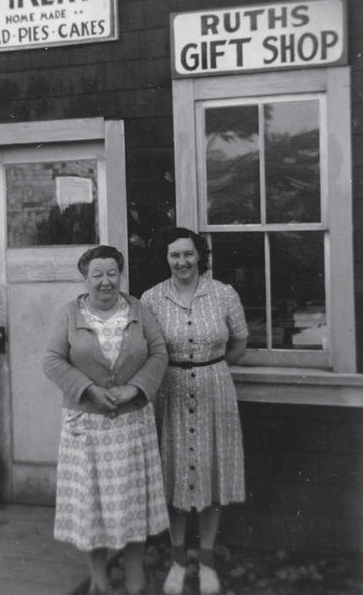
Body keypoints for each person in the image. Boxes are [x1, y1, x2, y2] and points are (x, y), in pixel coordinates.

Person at [43, 245, 169, 595]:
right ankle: (99, 580)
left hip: (132, 426)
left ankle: (135, 579)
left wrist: (135, 388)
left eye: (112, 273)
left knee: (133, 505)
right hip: (88, 426)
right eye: (97, 274)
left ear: (120, 275)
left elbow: (158, 353)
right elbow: (53, 361)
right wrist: (88, 390)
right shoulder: (70, 314)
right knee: (91, 506)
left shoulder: (139, 311)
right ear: (85, 278)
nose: (105, 282)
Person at [141, 227, 248, 595]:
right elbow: (147, 350)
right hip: (169, 392)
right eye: (175, 255)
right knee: (174, 475)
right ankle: (176, 561)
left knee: (210, 474)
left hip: (214, 390)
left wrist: (212, 368)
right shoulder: (152, 299)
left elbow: (240, 341)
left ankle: (205, 563)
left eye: (188, 254)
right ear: (166, 259)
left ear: (200, 255)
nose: (182, 261)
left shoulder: (222, 294)